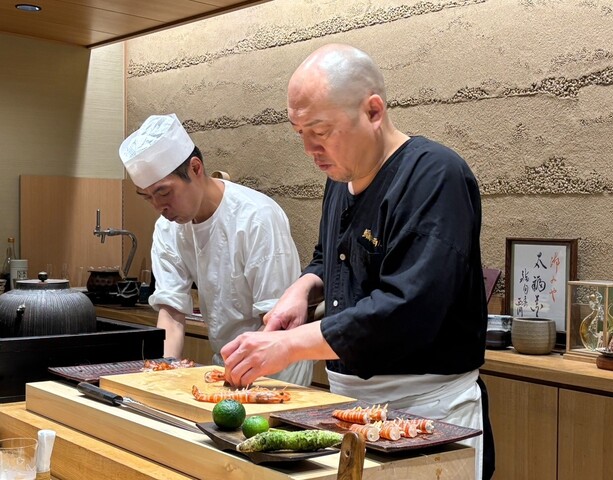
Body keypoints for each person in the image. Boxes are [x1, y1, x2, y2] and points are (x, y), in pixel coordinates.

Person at [220, 44, 494, 479]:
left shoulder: (434, 176)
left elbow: (408, 309)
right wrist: (304, 288)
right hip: (345, 407)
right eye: (299, 132)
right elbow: (329, 257)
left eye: (321, 130)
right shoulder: (340, 178)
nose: (309, 148)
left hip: (426, 411)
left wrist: (289, 345)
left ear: (373, 111)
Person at [118, 113, 313, 386]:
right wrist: (163, 375)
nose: (159, 207)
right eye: (147, 197)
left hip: (277, 374)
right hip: (227, 368)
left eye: (163, 192)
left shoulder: (256, 218)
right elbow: (172, 314)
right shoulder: (168, 228)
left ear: (195, 168)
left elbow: (275, 321)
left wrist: (237, 375)